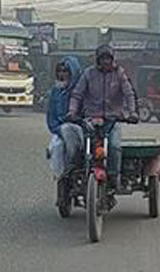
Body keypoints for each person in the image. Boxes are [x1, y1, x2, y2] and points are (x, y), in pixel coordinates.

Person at [67, 44, 137, 190]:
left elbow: (129, 94)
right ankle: (77, 174)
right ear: (98, 60)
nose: (106, 62)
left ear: (113, 60)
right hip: (90, 119)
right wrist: (72, 112)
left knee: (114, 146)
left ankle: (114, 177)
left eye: (108, 59)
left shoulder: (119, 74)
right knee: (79, 146)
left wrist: (132, 113)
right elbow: (77, 95)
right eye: (103, 59)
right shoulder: (88, 74)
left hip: (113, 120)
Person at [46, 56, 84, 184]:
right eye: (60, 71)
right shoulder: (55, 92)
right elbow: (51, 118)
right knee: (57, 147)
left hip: (81, 128)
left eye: (66, 71)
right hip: (60, 131)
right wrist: (58, 129)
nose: (62, 74)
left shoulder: (82, 90)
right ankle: (64, 176)